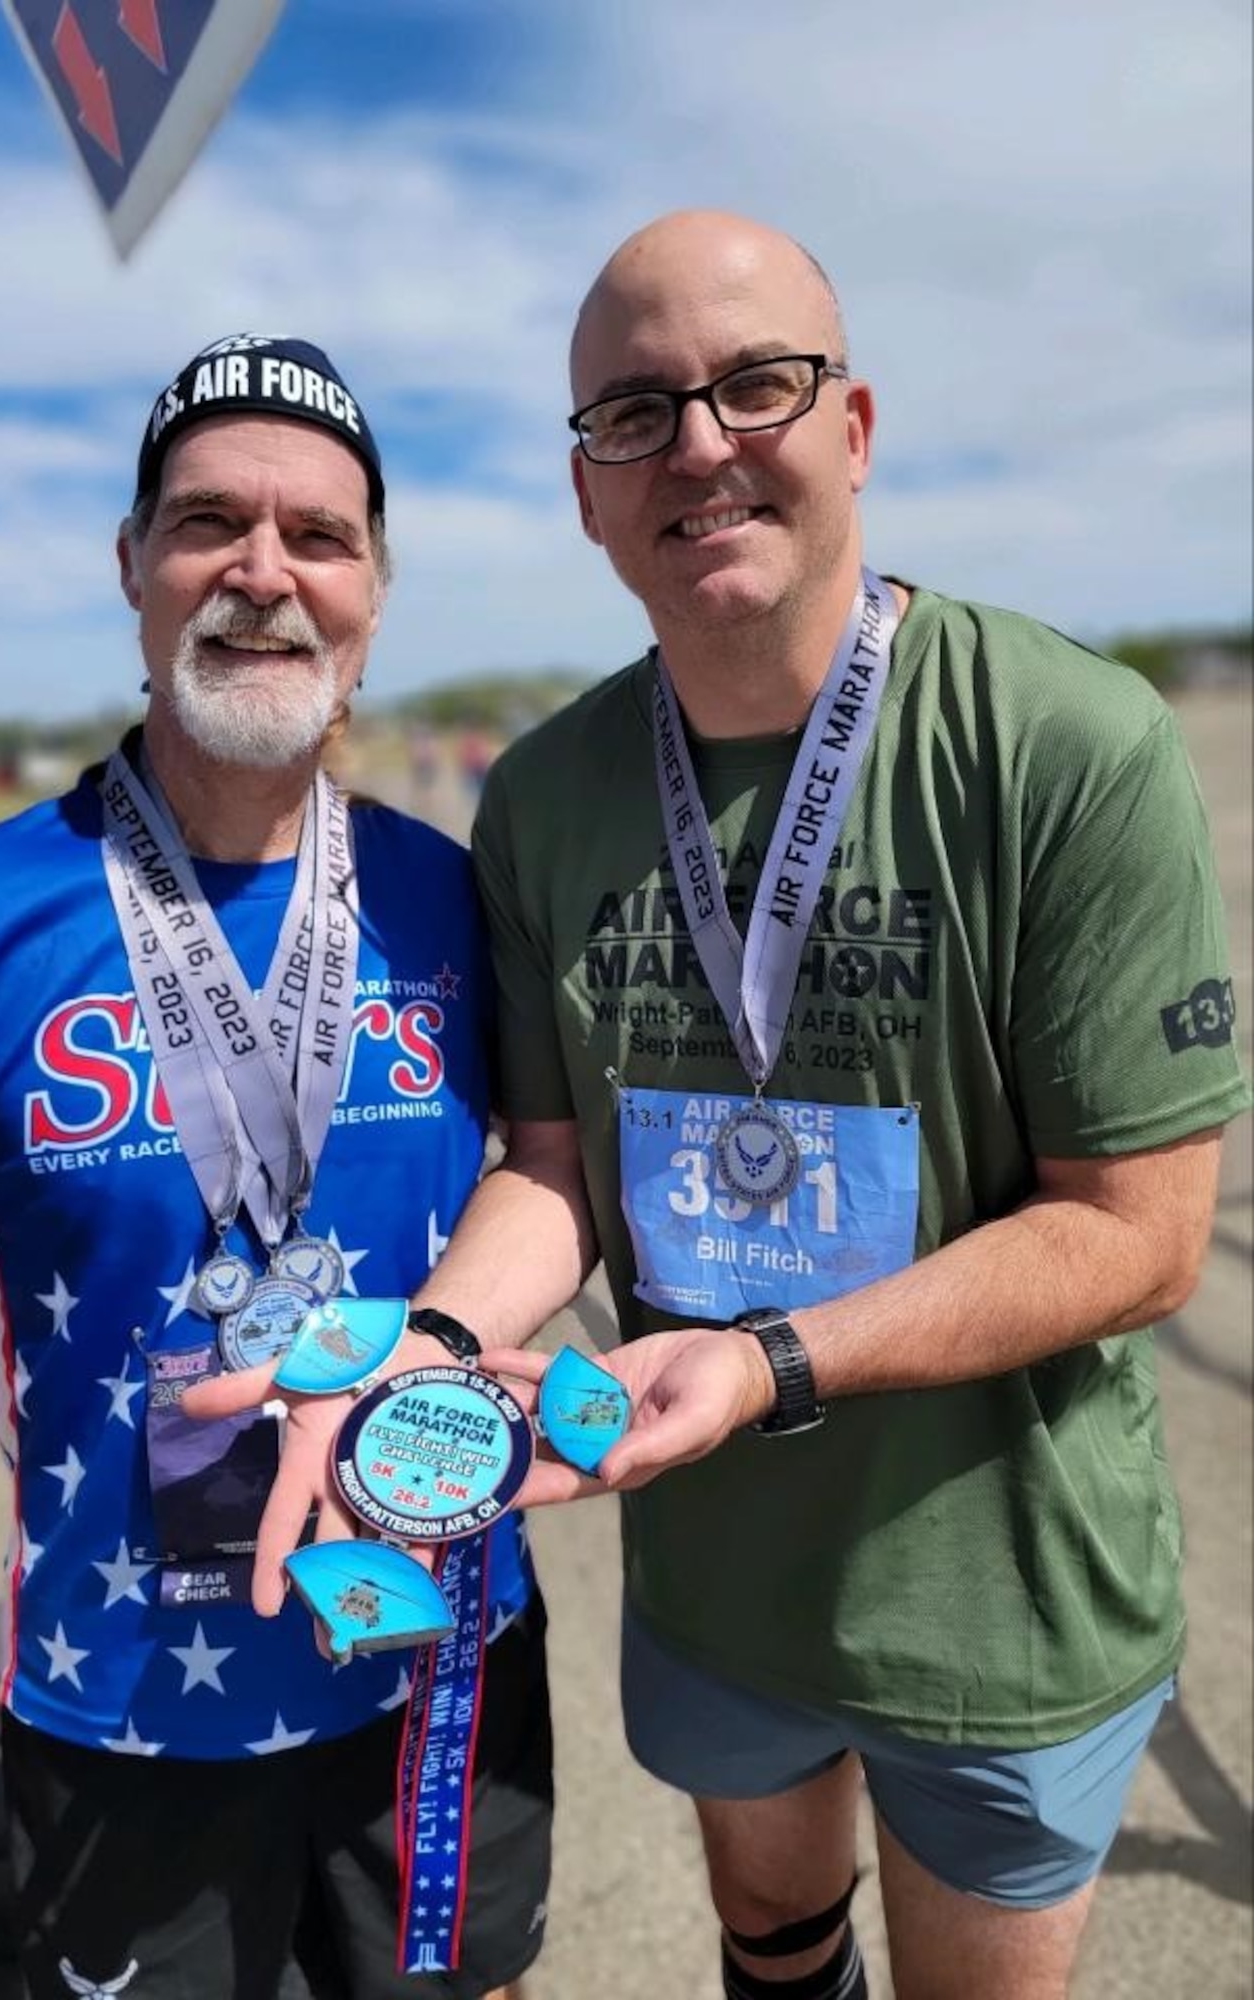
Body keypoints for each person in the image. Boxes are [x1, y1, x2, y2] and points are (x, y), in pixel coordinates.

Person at [194, 213, 1250, 2000]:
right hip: (713, 1569)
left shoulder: (1067, 743)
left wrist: (770, 1360)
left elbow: (1136, 1238)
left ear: (849, 428)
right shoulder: (547, 795)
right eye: (633, 414)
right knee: (772, 1949)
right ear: (590, 493)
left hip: (996, 1594)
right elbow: (555, 1169)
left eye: (756, 387)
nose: (697, 445)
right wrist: (435, 1340)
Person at [0, 333, 552, 2000]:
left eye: (321, 535)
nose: (263, 572)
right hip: (123, 1682)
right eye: (209, 520)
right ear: (134, 568)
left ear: (374, 594)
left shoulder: (454, 893)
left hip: (442, 1640)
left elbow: (550, 1178)